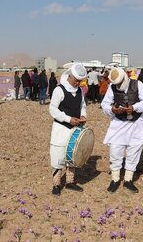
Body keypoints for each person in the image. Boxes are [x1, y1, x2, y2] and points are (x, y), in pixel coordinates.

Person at [101, 68, 143, 193]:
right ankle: (115, 179)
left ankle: (128, 180)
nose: (118, 85)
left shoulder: (137, 84)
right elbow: (105, 104)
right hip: (119, 124)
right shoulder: (112, 87)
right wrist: (112, 110)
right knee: (115, 150)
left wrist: (134, 108)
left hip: (136, 124)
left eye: (119, 83)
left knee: (134, 151)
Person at [49, 63, 88, 195]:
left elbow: (82, 105)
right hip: (61, 128)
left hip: (75, 128)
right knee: (58, 156)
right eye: (76, 80)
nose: (78, 83)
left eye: (80, 81)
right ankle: (56, 184)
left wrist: (83, 115)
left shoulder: (79, 91)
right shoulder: (59, 90)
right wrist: (67, 119)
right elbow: (52, 109)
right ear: (70, 76)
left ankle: (70, 182)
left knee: (73, 154)